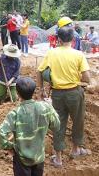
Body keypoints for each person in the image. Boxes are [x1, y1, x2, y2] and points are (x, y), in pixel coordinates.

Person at [37, 26, 91, 168]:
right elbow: (87, 78)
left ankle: (59, 158)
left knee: (58, 124)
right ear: (73, 39)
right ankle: (75, 150)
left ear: (58, 39)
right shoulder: (78, 55)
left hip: (57, 94)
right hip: (74, 92)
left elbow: (40, 71)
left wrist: (41, 89)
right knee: (78, 120)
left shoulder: (51, 53)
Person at [0, 77, 60, 176]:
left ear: (17, 93)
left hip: (21, 158)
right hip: (39, 156)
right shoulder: (45, 107)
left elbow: (2, 132)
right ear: (33, 91)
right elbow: (56, 126)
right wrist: (51, 107)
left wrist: (10, 147)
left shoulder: (15, 113)